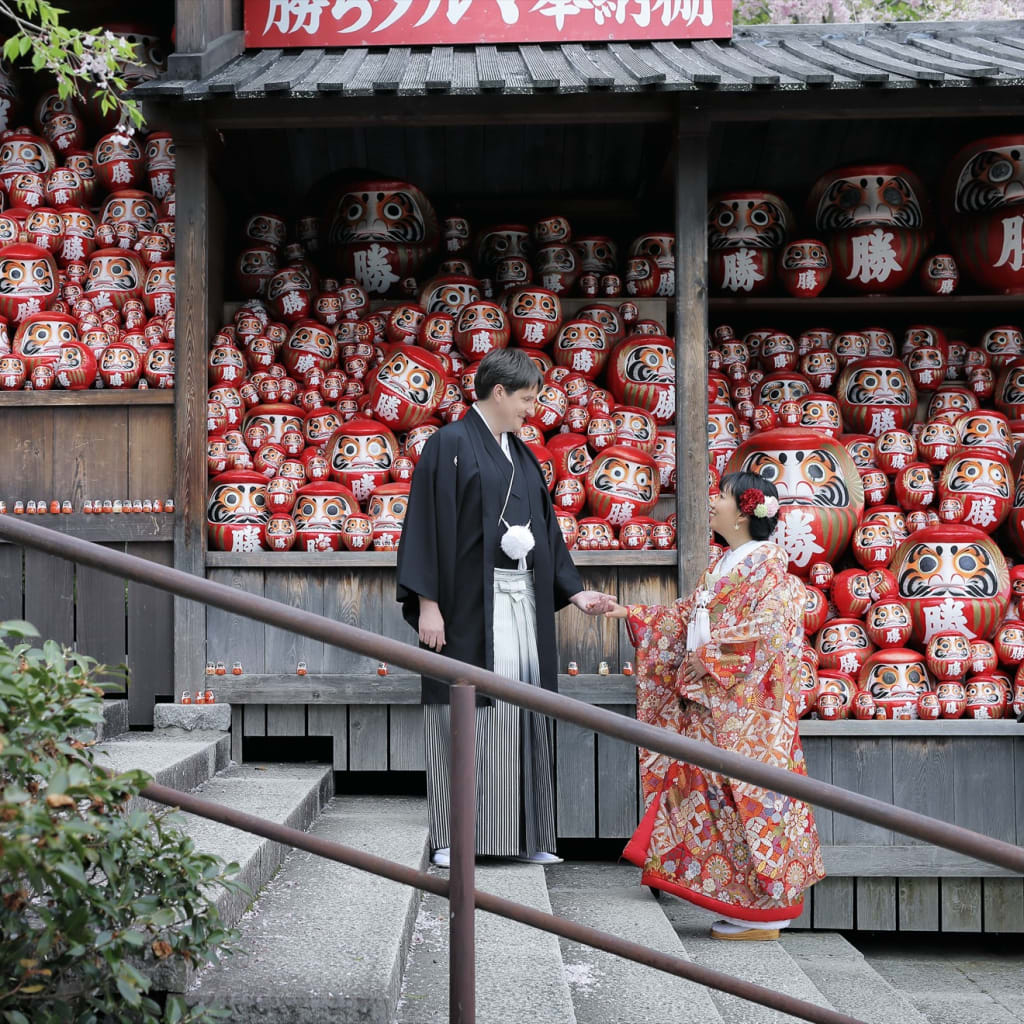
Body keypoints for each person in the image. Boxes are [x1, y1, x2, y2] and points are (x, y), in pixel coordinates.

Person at [396, 347, 615, 869]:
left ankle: (527, 835)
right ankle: (457, 836)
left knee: (527, 707)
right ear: (497, 392)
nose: (530, 409)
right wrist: (429, 604)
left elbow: (546, 532)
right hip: (470, 606)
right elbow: (424, 525)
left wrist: (574, 590)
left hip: (523, 601)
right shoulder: (447, 445)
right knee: (465, 711)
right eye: (525, 398)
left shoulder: (523, 455)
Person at [605, 470, 825, 940]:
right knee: (718, 807)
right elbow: (687, 614)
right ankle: (747, 908)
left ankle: (766, 911)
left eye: (721, 496)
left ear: (746, 510)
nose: (712, 502)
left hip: (749, 715)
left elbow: (766, 632)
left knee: (751, 805)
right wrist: (635, 614)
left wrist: (706, 655)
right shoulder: (726, 564)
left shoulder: (771, 572)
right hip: (714, 710)